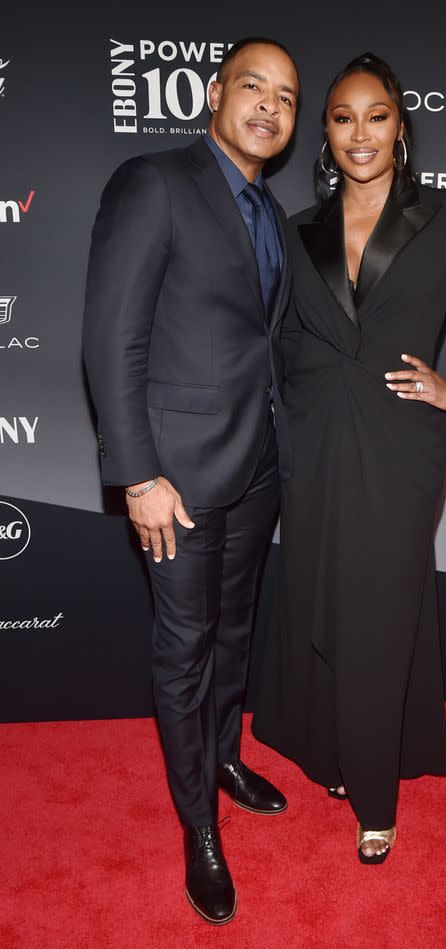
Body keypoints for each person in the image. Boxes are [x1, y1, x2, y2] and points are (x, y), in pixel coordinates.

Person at [253, 52, 446, 864]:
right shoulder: (295, 231)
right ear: (324, 132)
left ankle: (376, 797)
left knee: (380, 611)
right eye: (343, 117)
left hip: (400, 447)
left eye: (377, 116)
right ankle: (341, 756)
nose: (361, 133)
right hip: (314, 445)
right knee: (323, 597)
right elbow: (277, 339)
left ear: (401, 127)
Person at [82, 37, 299, 924]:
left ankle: (223, 754)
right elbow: (111, 339)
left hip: (256, 471)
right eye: (253, 86)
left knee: (236, 631)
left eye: (286, 97)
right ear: (216, 92)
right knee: (186, 646)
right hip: (175, 479)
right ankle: (198, 827)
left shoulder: (272, 213)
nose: (269, 108)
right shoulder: (155, 181)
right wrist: (137, 476)